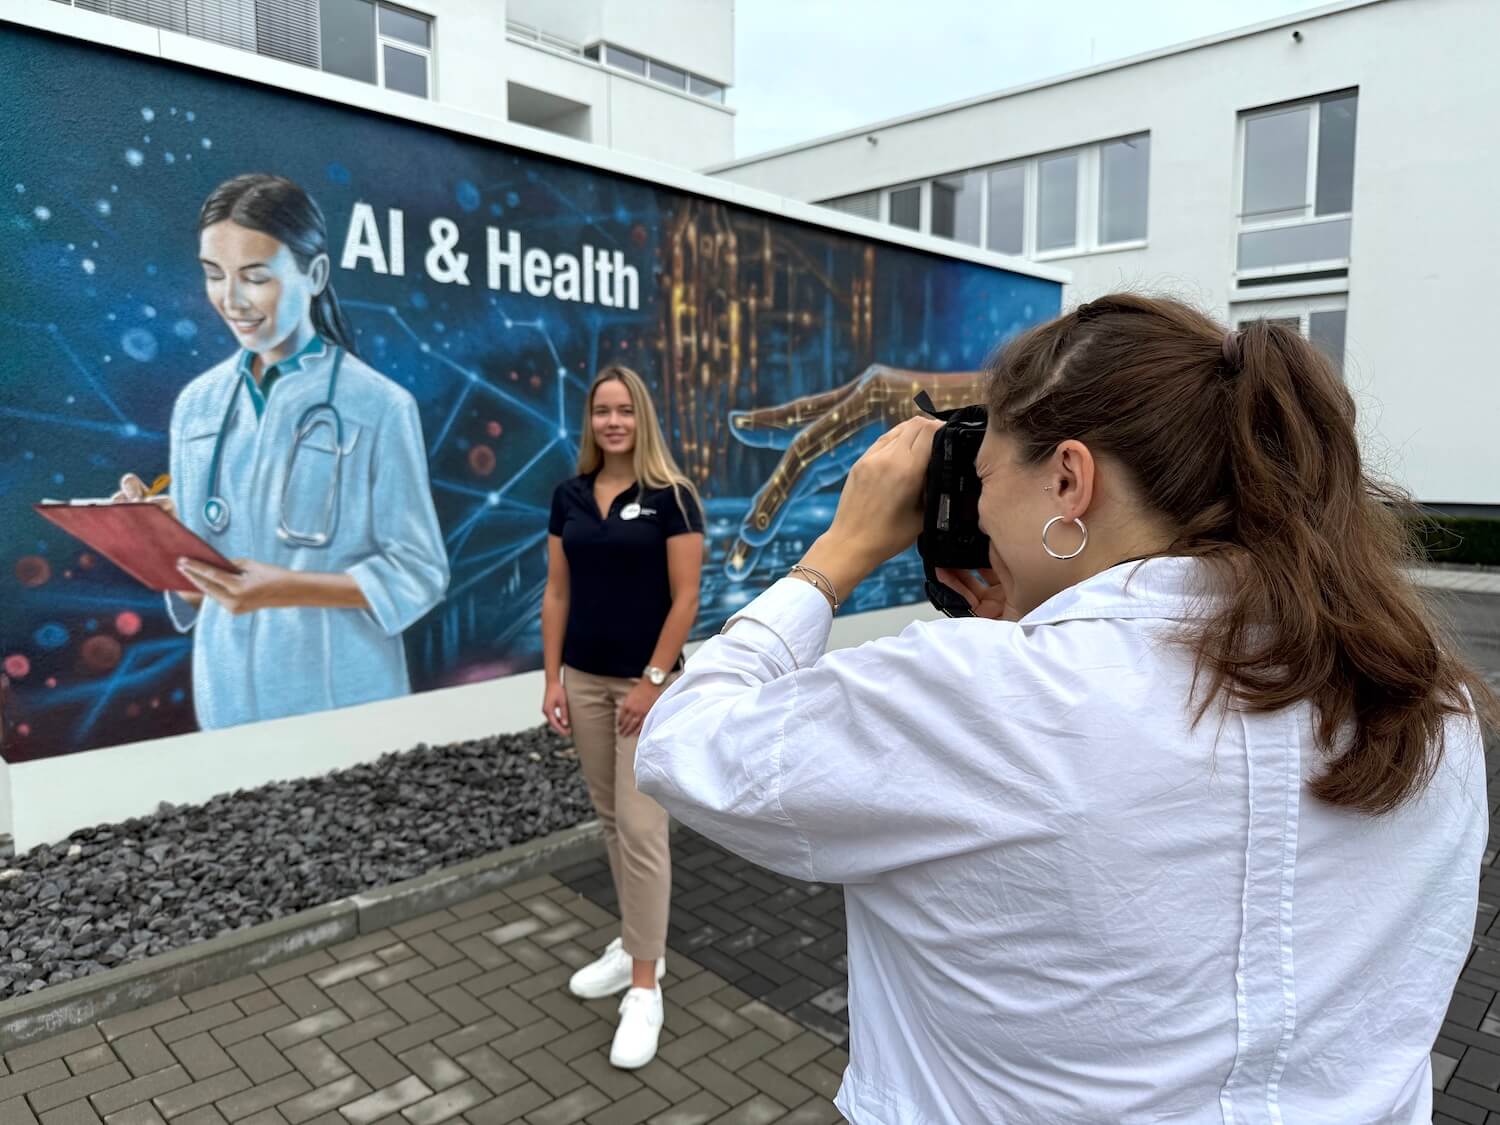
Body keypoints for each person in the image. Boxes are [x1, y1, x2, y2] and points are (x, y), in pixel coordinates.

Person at [635, 294, 1493, 1123]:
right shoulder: (1430, 701)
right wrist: (1038, 624)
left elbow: (684, 741)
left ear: (1069, 479)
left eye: (981, 479)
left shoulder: (984, 697)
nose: (975, 508)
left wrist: (837, 554)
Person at [115, 173, 448, 730]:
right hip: (225, 697)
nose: (231, 299)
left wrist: (285, 588)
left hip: (342, 696)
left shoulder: (379, 406)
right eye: (214, 275)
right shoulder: (197, 406)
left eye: (255, 277)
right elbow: (203, 589)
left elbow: (419, 572)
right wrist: (155, 539)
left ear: (314, 274)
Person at [541, 365, 705, 1069]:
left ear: (642, 418)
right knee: (610, 819)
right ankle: (637, 940)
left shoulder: (672, 497)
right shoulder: (569, 495)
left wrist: (654, 680)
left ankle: (646, 985)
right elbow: (556, 593)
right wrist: (551, 677)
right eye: (602, 411)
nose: (613, 422)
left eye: (625, 411)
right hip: (583, 679)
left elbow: (687, 597)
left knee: (642, 829)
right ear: (591, 421)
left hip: (649, 690)